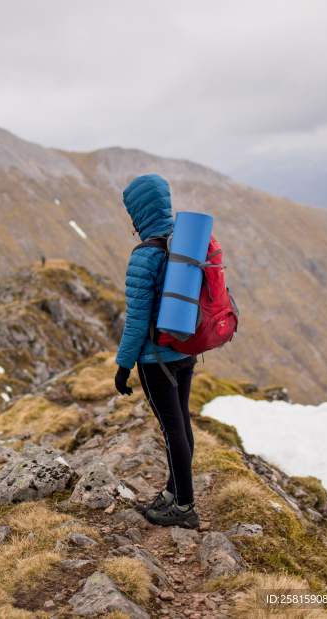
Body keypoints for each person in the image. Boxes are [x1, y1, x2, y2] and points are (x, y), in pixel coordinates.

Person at [113, 174, 200, 529]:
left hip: (155, 360)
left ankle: (183, 508)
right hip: (185, 351)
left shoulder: (145, 255)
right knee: (181, 424)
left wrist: (123, 366)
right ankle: (172, 493)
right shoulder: (186, 244)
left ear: (138, 214)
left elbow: (135, 322)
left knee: (172, 430)